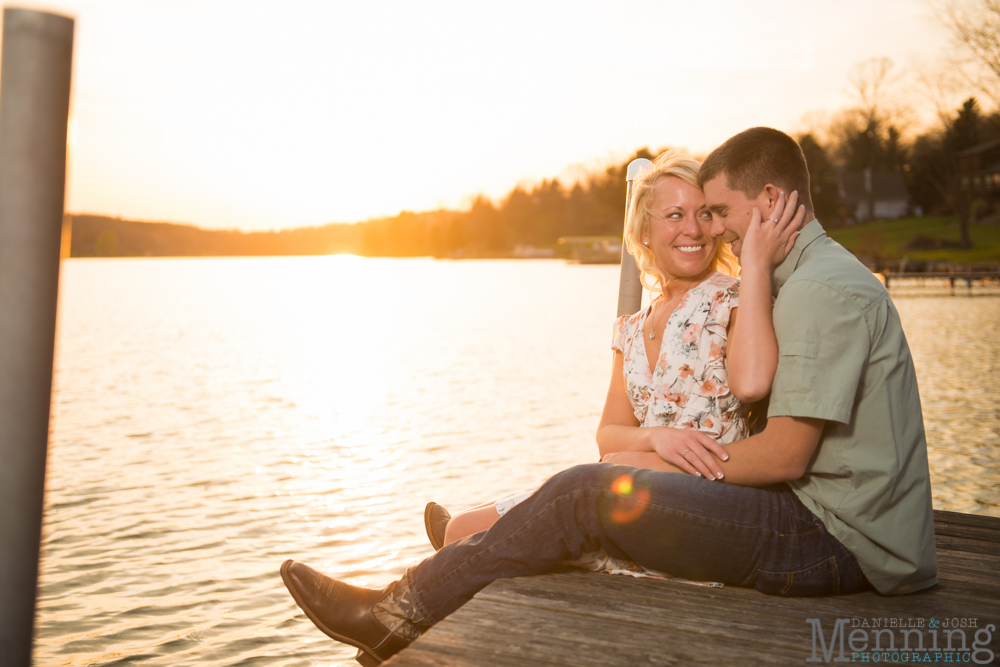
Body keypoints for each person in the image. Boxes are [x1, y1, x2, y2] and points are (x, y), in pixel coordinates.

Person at [279, 127, 938, 667]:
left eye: (720, 214)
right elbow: (638, 427)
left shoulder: (817, 287)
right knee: (571, 495)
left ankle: (394, 612)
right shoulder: (801, 281)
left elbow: (785, 449)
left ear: (768, 200)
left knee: (583, 492)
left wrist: (649, 466)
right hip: (816, 518)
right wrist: (647, 452)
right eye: (687, 214)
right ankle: (442, 581)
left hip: (833, 538)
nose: (714, 230)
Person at [426, 149, 802, 551]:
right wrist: (658, 437)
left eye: (705, 214)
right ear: (644, 230)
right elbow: (608, 435)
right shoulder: (631, 328)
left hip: (699, 500)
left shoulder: (735, 298)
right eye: (675, 215)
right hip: (637, 481)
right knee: (483, 519)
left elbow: (754, 382)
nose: (693, 229)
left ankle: (456, 548)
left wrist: (755, 268)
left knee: (464, 531)